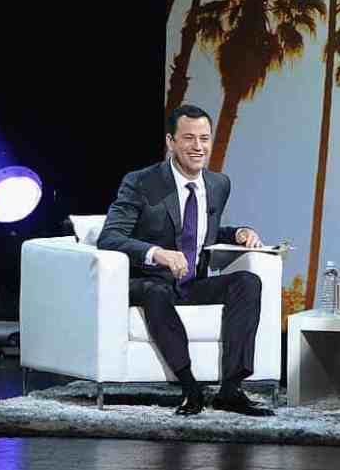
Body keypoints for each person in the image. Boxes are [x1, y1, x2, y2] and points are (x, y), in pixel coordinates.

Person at [97, 104, 273, 417]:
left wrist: (239, 233)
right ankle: (190, 386)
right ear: (171, 142)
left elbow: (205, 231)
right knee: (156, 291)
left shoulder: (219, 184)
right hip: (148, 281)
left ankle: (231, 389)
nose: (198, 147)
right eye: (189, 138)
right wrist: (157, 253)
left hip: (191, 283)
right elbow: (110, 237)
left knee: (248, 282)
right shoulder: (141, 182)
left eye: (204, 138)